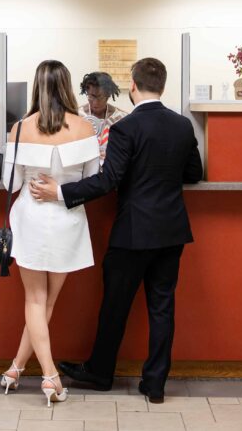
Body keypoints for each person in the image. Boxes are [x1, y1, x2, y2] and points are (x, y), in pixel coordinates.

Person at [29, 58, 203, 404]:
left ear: (132, 86)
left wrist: (61, 192)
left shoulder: (127, 128)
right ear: (163, 87)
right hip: (171, 231)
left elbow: (109, 180)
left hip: (133, 233)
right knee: (162, 308)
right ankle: (155, 385)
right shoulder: (182, 126)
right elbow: (194, 172)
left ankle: (100, 372)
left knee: (114, 307)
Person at [0, 60, 99, 408]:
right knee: (48, 302)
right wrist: (62, 187)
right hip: (67, 218)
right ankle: (43, 374)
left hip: (30, 215)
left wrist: (33, 180)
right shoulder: (85, 128)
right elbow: (92, 180)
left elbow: (8, 185)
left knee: (35, 301)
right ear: (68, 86)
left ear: (36, 88)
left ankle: (25, 370)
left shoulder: (18, 129)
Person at [78, 72, 128, 166]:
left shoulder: (122, 118)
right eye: (91, 96)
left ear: (108, 95)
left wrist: (113, 155)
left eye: (100, 97)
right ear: (86, 92)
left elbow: (127, 150)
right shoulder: (77, 115)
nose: (95, 103)